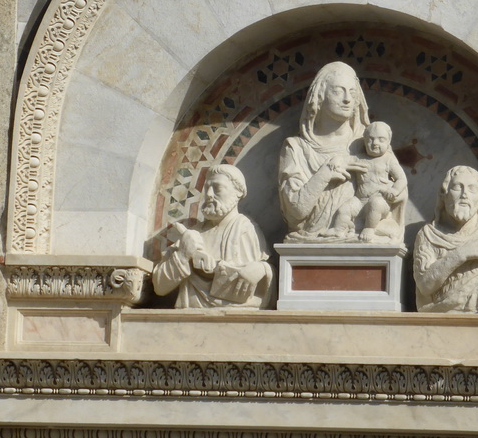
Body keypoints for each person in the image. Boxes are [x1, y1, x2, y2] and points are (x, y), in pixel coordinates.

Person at [153, 164, 273, 308]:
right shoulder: (193, 234)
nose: (209, 194)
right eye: (207, 188)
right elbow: (159, 287)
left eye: (217, 188)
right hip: (189, 319)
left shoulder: (246, 229)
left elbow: (266, 281)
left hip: (237, 320)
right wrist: (183, 255)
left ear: (238, 192)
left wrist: (262, 269)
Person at [278, 61, 370, 240]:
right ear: (320, 96)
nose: (347, 99)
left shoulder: (368, 144)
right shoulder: (296, 148)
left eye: (352, 92)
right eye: (338, 91)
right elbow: (295, 213)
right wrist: (326, 173)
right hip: (307, 245)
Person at [413, 165, 478, 312]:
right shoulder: (428, 235)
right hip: (439, 317)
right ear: (444, 195)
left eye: (472, 189)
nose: (465, 195)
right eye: (457, 188)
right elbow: (425, 286)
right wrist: (461, 254)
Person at [327, 121, 407, 242]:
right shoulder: (359, 158)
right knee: (344, 209)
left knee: (376, 204)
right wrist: (337, 160)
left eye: (381, 139)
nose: (375, 143)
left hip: (380, 200)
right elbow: (345, 160)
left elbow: (401, 178)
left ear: (388, 141)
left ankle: (369, 229)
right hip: (359, 200)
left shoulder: (388, 159)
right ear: (364, 141)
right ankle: (338, 229)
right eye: (370, 139)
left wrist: (394, 190)